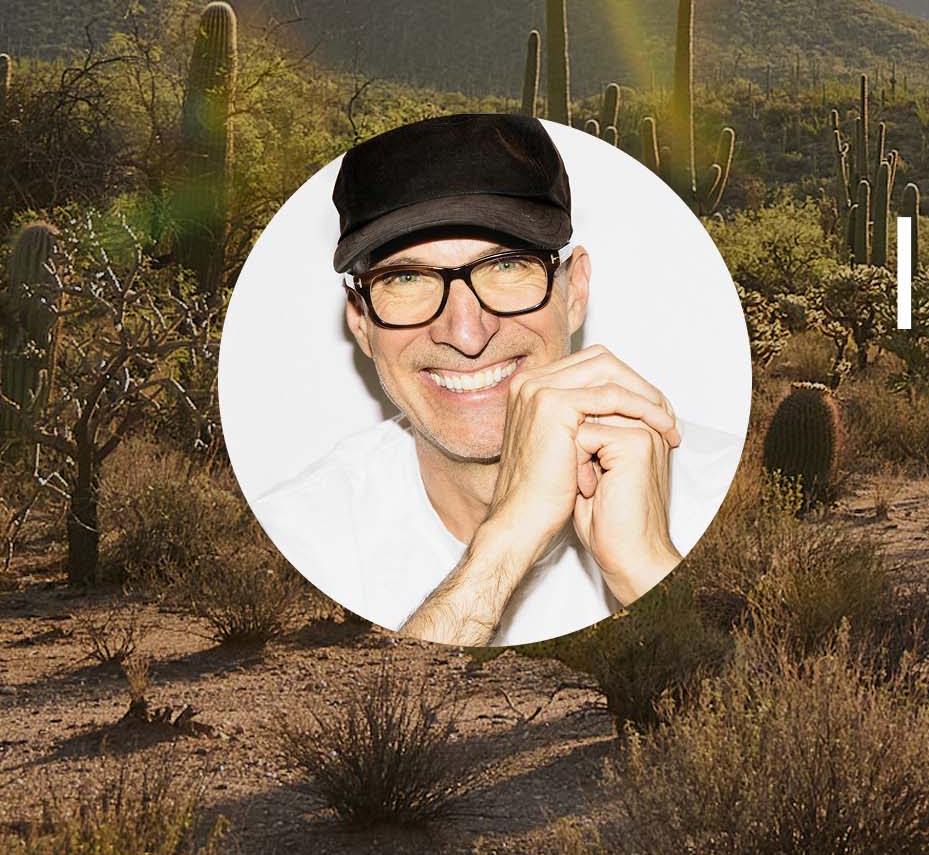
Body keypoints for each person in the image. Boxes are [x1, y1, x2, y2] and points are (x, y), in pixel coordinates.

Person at [250, 114, 739, 646]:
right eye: (406, 278)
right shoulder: (295, 540)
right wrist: (506, 541)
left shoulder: (729, 495)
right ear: (361, 323)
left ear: (573, 292)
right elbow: (372, 725)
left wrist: (646, 570)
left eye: (505, 266)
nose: (466, 332)